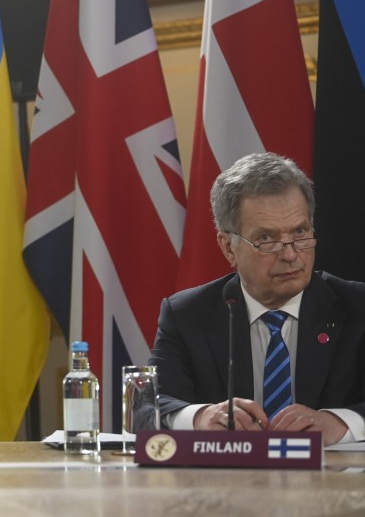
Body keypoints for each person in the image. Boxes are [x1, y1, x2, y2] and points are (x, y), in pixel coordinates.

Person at [150, 152, 365, 445]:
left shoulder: (357, 308)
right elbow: (148, 407)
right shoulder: (188, 315)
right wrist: (200, 417)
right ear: (228, 247)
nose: (290, 254)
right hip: (224, 487)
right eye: (267, 239)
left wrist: (341, 422)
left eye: (300, 232)